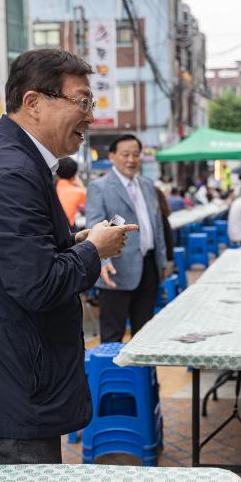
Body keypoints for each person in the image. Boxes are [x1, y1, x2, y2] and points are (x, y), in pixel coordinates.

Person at [0, 48, 136, 464]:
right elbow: (38, 284)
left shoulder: (15, 163)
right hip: (7, 388)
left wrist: (80, 240)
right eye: (81, 101)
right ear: (33, 103)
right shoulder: (9, 173)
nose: (90, 116)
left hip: (13, 377)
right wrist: (93, 250)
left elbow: (21, 257)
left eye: (91, 104)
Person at [86, 134, 167, 343]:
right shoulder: (99, 187)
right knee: (113, 335)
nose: (131, 160)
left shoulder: (147, 185)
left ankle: (147, 377)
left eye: (136, 155)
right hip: (115, 271)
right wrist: (102, 261)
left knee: (146, 335)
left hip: (148, 267)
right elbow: (94, 227)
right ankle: (114, 377)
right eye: (125, 154)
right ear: (112, 156)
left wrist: (162, 260)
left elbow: (157, 225)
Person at [55, 157, 86, 231]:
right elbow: (87, 208)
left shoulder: (53, 187)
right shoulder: (79, 192)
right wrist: (80, 185)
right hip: (68, 228)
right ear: (74, 174)